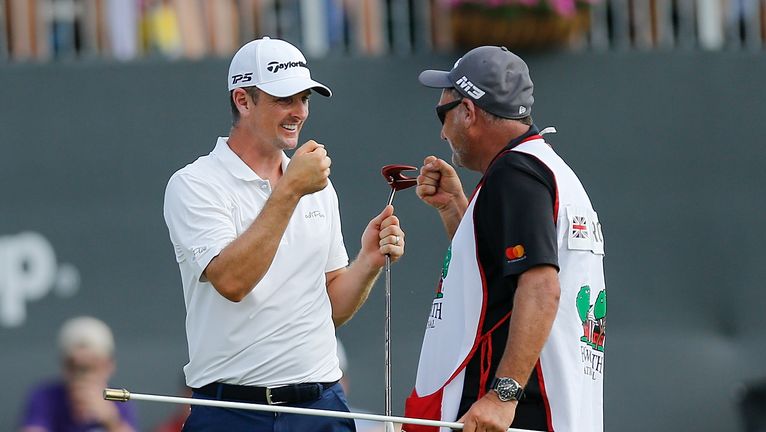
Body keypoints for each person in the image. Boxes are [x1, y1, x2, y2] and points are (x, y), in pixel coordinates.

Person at [162, 36, 405, 432]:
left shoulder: (318, 186)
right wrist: (290, 189)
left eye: (304, 99)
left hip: (321, 405)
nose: (299, 112)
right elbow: (232, 280)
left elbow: (330, 307)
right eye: (283, 99)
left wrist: (369, 262)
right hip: (232, 412)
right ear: (243, 101)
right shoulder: (194, 184)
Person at [403, 46, 606, 432]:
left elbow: (541, 286)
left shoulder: (515, 174)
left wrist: (503, 395)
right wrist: (456, 210)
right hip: (556, 409)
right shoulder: (545, 166)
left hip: (521, 412)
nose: (443, 131)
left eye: (443, 115)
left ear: (469, 112)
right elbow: (494, 277)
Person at [18, 316, 138, 432]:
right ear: (64, 367)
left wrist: (111, 421)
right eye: (75, 366)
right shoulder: (45, 397)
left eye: (91, 365)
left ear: (108, 366)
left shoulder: (120, 401)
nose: (83, 376)